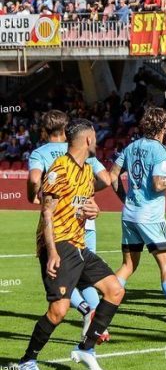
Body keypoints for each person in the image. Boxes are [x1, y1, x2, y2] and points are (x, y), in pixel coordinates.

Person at [17, 119, 124, 370]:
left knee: (115, 290)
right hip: (60, 245)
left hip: (79, 245)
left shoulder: (86, 171)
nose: (97, 141)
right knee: (58, 311)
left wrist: (94, 210)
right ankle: (27, 361)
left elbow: (83, 204)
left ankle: (86, 348)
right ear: (88, 139)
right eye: (95, 137)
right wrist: (52, 252)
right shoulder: (60, 169)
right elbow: (47, 212)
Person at [109, 107, 166, 334]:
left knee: (129, 266)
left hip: (130, 215)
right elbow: (158, 184)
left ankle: (100, 306)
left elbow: (112, 176)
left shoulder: (131, 147)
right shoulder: (161, 151)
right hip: (150, 216)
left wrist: (125, 199)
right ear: (163, 127)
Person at [26, 110, 111, 341]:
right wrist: (85, 194)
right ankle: (97, 324)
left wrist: (33, 196)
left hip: (59, 226)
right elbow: (106, 179)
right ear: (66, 130)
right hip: (85, 222)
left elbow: (34, 180)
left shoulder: (40, 153)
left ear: (44, 130)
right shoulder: (80, 151)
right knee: (86, 277)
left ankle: (87, 312)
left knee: (67, 275)